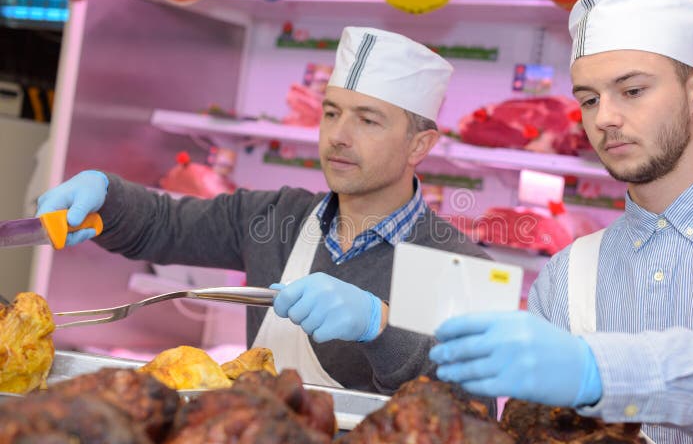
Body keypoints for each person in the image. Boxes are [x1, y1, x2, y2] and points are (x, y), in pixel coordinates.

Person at [429, 0, 693, 444]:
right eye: (588, 99)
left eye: (632, 91)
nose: (604, 118)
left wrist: (594, 369)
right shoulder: (566, 275)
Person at [37, 26, 490, 397]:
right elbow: (163, 224)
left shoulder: (459, 265)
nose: (338, 136)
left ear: (419, 145)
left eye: (368, 120)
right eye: (332, 113)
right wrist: (106, 197)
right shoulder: (276, 217)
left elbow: (470, 412)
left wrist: (380, 326)